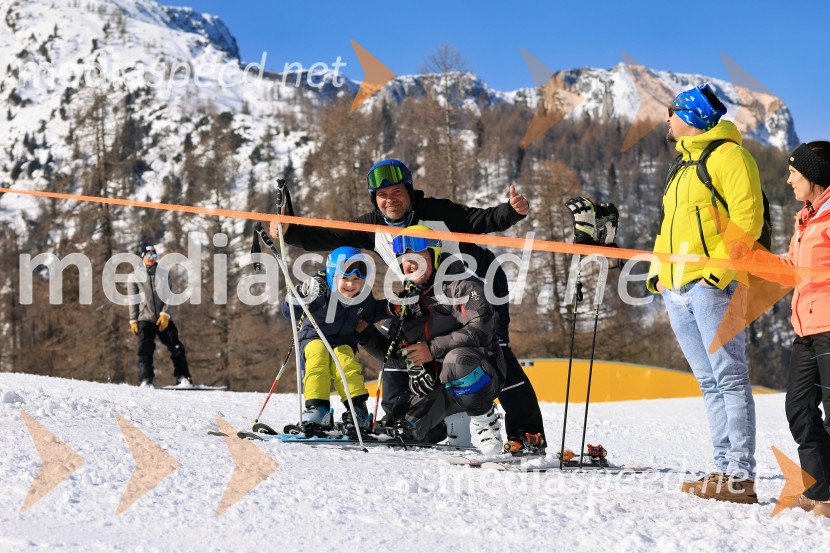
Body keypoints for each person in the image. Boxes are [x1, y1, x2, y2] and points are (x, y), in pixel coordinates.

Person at [269, 159, 546, 452]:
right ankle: (403, 420)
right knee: (401, 340)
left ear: (410, 192)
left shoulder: (436, 212)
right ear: (375, 200)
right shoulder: (373, 224)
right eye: (382, 195)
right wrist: (290, 231)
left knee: (494, 348)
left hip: (477, 280)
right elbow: (331, 234)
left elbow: (479, 220)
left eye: (397, 192)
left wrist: (511, 212)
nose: (390, 200)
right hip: (426, 291)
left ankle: (528, 434)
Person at [646, 83, 764, 503]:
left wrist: (716, 274)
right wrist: (658, 274)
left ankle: (741, 475)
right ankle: (721, 470)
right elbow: (666, 228)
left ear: (692, 117)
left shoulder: (730, 156)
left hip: (714, 285)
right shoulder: (680, 167)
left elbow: (748, 220)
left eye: (673, 112)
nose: (667, 119)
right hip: (676, 288)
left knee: (730, 376)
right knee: (708, 382)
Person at [731, 141, 830, 517]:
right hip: (806, 328)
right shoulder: (806, 218)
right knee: (799, 410)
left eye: (794, 173)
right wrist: (752, 258)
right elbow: (792, 268)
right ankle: (821, 488)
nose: (788, 179)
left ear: (815, 176)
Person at [359, 226, 506, 454]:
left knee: (457, 360)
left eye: (418, 256)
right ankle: (445, 431)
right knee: (400, 428)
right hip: (437, 382)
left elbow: (481, 330)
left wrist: (431, 349)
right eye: (405, 260)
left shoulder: (462, 284)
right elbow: (399, 358)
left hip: (480, 373)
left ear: (434, 254)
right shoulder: (410, 299)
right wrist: (365, 334)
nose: (411, 264)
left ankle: (486, 424)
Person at [282, 246, 386, 435]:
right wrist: (300, 295)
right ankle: (317, 409)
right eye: (344, 278)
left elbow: (375, 311)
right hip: (315, 336)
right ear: (332, 275)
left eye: (356, 279)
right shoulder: (318, 288)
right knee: (318, 359)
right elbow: (288, 312)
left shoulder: (363, 297)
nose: (350, 284)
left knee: (345, 365)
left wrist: (395, 307)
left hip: (344, 341)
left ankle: (357, 411)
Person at [128, 244, 192, 387]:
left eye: (154, 255)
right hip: (145, 318)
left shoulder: (164, 273)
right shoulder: (134, 276)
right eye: (149, 255)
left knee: (176, 346)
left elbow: (169, 296)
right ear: (142, 257)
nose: (151, 258)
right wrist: (133, 319)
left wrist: (165, 314)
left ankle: (183, 377)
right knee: (145, 349)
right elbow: (133, 299)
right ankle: (146, 379)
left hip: (164, 318)